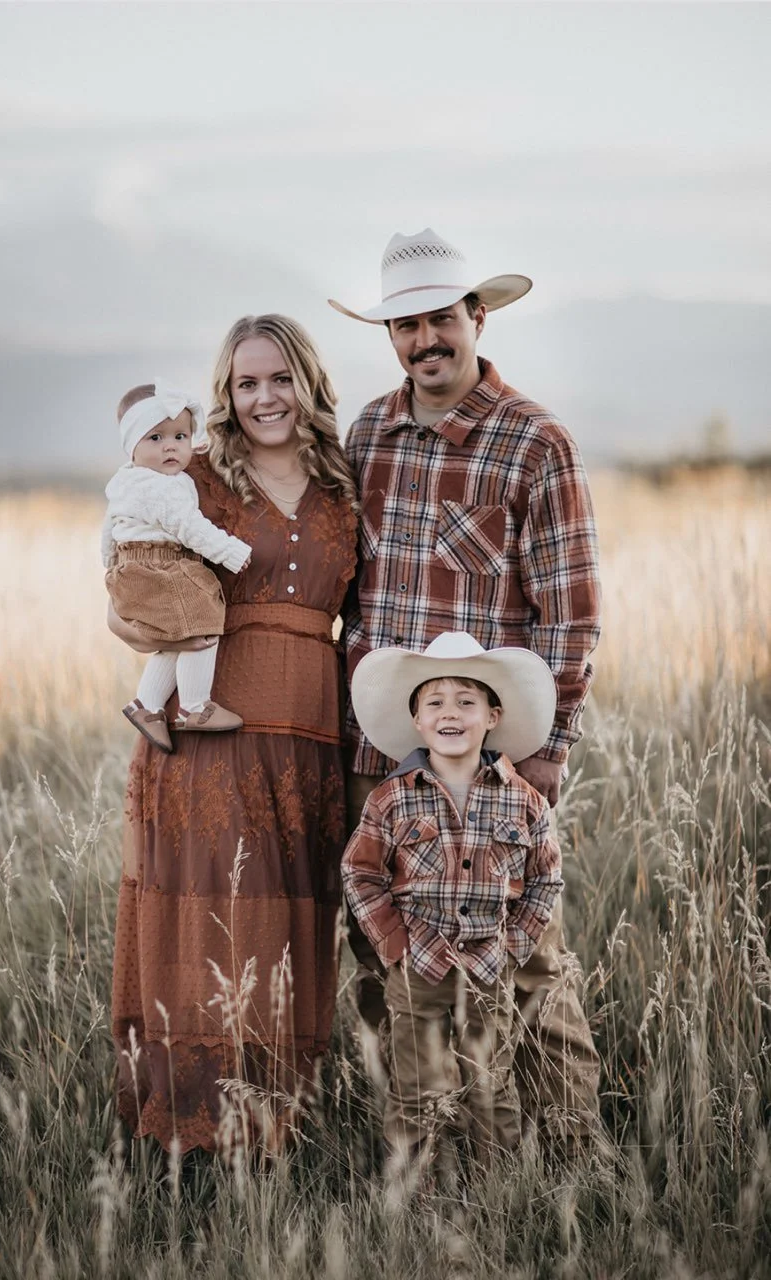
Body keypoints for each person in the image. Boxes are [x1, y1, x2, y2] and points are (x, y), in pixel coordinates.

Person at [329, 227, 603, 1150]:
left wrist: (547, 755)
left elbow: (569, 615)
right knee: (387, 959)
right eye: (404, 326)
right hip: (378, 753)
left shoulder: (535, 444)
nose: (424, 342)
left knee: (527, 965)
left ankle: (568, 1160)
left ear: (476, 317)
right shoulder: (367, 433)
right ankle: (424, 1155)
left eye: (441, 319)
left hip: (491, 761)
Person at [108, 315, 358, 1155]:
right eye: (246, 383)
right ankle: (193, 1136)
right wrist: (134, 617)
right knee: (210, 920)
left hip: (310, 736)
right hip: (210, 732)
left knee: (286, 930)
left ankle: (272, 1126)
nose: (264, 398)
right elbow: (132, 572)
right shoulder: (195, 477)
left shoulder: (344, 485)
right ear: (225, 394)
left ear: (308, 385)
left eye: (279, 379)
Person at [341, 632, 563, 1182]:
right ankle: (413, 1198)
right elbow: (360, 872)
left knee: (491, 1088)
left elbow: (545, 877)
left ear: (493, 715)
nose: (451, 713)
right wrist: (394, 945)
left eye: (467, 701)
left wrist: (514, 946)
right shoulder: (390, 799)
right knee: (415, 1091)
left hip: (490, 970)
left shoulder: (524, 801)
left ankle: (499, 1196)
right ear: (416, 719)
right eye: (435, 702)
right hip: (417, 971)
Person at [102, 378, 252, 753]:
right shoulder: (162, 488)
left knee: (174, 639)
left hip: (132, 566)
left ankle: (147, 705)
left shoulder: (125, 482)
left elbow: (109, 529)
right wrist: (231, 552)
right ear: (132, 446)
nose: (170, 446)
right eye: (155, 439)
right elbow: (190, 528)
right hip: (161, 565)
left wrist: (109, 568)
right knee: (203, 621)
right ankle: (194, 706)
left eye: (180, 437)